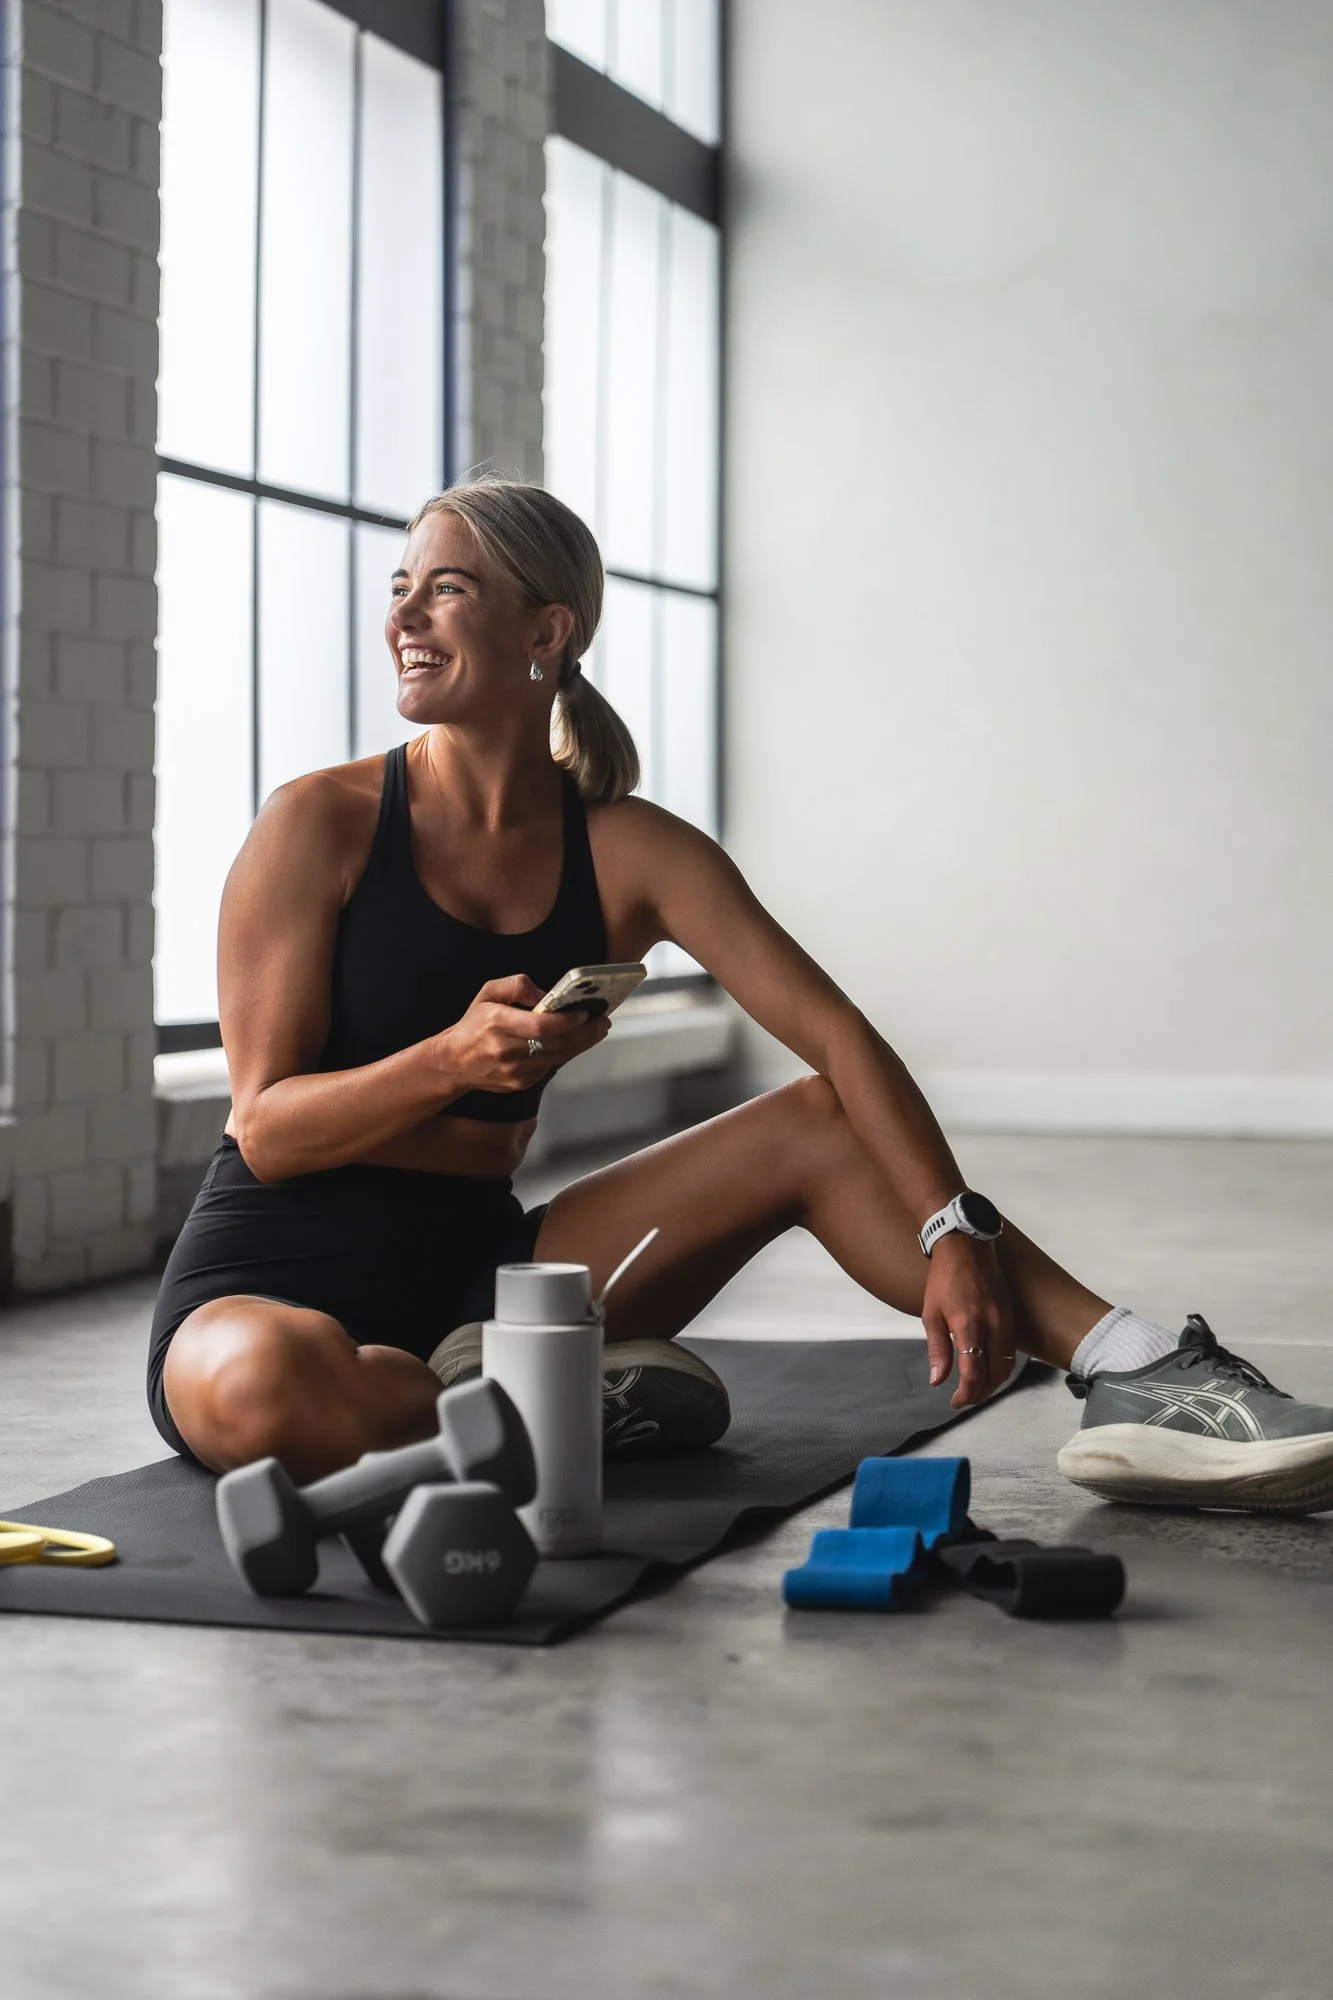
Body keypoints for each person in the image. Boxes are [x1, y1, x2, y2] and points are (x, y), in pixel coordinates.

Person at [149, 477, 1333, 1511]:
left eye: (444, 588)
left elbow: (834, 1035)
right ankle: (516, 1405)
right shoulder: (320, 822)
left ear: (544, 630)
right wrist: (449, 1062)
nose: (402, 613)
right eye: (399, 585)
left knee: (818, 1119)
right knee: (266, 1389)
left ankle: (1136, 1370)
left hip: (484, 1289)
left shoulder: (630, 848)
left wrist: (950, 1226)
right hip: (270, 1278)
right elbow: (266, 1128)